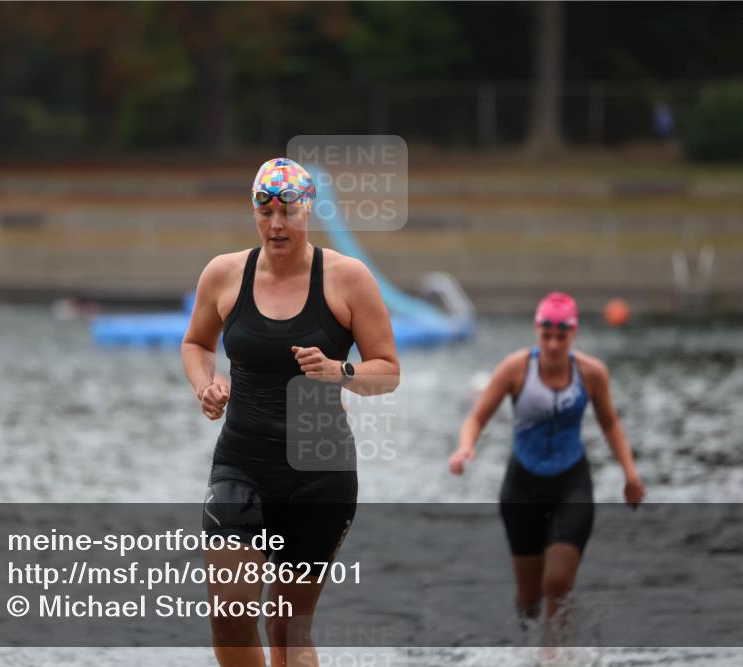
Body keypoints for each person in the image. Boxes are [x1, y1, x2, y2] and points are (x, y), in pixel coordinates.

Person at [182, 157, 400, 667]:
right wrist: (205, 384)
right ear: (254, 211)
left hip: (319, 473)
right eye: (266, 210)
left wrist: (339, 372)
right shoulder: (224, 273)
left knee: (285, 628)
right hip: (241, 462)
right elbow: (195, 343)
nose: (277, 224)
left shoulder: (348, 279)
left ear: (310, 210)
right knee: (230, 617)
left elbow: (388, 371)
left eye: (289, 211)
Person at [448, 292, 646, 632]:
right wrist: (464, 447)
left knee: (557, 582)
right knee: (528, 599)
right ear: (537, 332)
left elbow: (610, 423)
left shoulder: (591, 373)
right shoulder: (516, 369)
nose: (554, 344)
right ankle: (531, 649)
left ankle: (556, 655)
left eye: (562, 336)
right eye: (547, 336)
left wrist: (630, 474)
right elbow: (476, 417)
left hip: (571, 485)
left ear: (574, 333)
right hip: (522, 488)